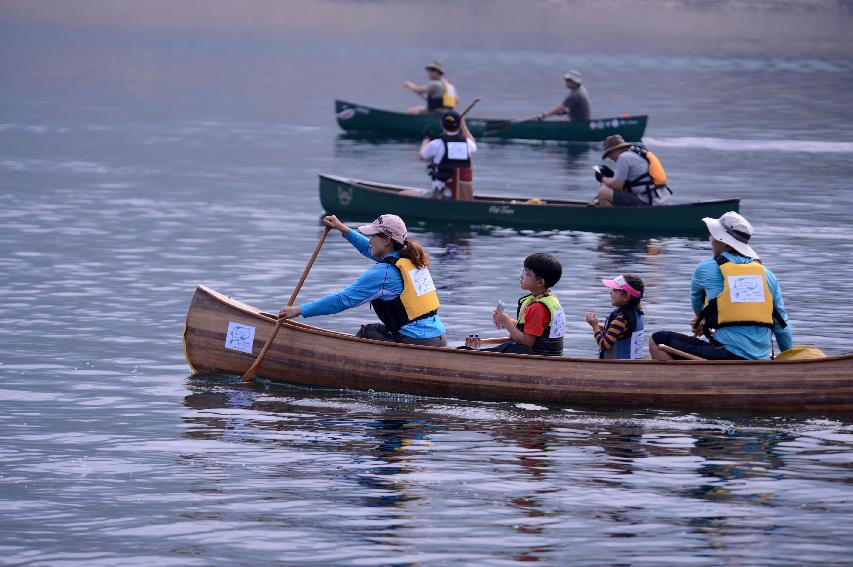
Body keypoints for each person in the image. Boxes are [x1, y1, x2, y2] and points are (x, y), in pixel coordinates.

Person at [278, 214, 448, 347]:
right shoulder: (410, 258)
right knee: (375, 331)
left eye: (373, 236)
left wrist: (299, 310)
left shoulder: (384, 274)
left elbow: (342, 301)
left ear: (387, 240)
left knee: (367, 333)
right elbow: (369, 248)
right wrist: (343, 229)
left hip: (417, 342)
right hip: (438, 337)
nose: (370, 240)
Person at [649, 212, 793, 361]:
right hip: (762, 358)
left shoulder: (705, 268)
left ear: (724, 243)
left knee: (657, 339)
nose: (711, 241)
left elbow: (698, 306)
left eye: (713, 237)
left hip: (726, 353)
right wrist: (789, 356)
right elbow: (782, 323)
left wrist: (700, 321)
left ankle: (681, 382)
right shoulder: (768, 275)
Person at [465, 253, 566, 356]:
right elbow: (532, 327)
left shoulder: (538, 307)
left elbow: (527, 343)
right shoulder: (549, 298)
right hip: (546, 355)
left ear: (540, 282)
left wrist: (506, 322)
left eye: (526, 273)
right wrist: (506, 321)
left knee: (469, 351)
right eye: (523, 270)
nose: (521, 275)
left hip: (538, 357)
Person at [591, 134, 671, 207]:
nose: (610, 158)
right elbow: (631, 181)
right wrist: (612, 174)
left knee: (603, 192)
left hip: (650, 201)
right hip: (659, 199)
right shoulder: (634, 153)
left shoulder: (623, 158)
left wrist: (602, 177)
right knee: (607, 188)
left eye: (608, 155)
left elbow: (617, 186)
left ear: (612, 152)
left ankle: (614, 220)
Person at [418, 110, 477, 200]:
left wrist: (425, 140)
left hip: (441, 194)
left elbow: (422, 156)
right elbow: (473, 143)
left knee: (406, 193)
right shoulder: (467, 143)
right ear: (458, 125)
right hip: (463, 194)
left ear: (442, 124)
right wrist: (463, 125)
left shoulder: (436, 143)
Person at [585, 274, 645, 359]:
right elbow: (619, 332)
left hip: (618, 367)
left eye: (614, 290)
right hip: (633, 364)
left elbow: (604, 345)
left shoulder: (621, 319)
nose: (610, 293)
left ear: (626, 297)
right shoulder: (638, 313)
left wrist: (595, 327)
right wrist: (600, 327)